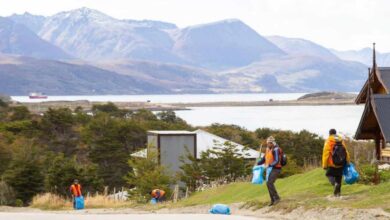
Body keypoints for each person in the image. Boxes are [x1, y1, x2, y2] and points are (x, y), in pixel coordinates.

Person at [322, 129, 350, 197]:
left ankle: (335, 184)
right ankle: (337, 194)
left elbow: (326, 153)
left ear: (329, 134)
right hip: (341, 163)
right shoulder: (340, 140)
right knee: (338, 177)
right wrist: (348, 161)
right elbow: (346, 151)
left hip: (332, 163)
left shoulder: (329, 141)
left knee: (328, 174)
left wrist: (324, 165)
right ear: (335, 133)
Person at [257, 136, 282, 206]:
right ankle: (273, 200)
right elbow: (264, 159)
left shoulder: (276, 149)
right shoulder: (268, 149)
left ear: (272, 143)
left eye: (268, 143)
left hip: (276, 168)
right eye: (267, 143)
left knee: (270, 182)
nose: (267, 144)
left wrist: (269, 165)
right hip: (269, 168)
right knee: (268, 183)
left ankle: (277, 198)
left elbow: (276, 161)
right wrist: (257, 163)